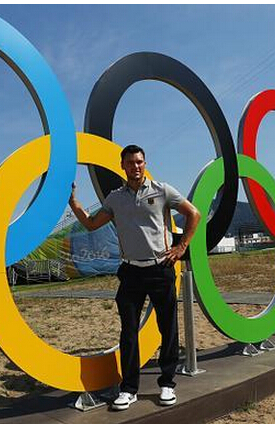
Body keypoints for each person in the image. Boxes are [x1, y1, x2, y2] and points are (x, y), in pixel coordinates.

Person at [68, 144, 201, 411]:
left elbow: (194, 214)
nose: (135, 166)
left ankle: (167, 384)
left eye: (139, 162)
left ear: (145, 163)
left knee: (167, 328)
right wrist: (74, 203)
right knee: (128, 332)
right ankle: (129, 389)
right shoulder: (115, 198)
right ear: (123, 166)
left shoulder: (162, 190)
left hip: (160, 269)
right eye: (130, 163)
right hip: (130, 272)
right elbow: (92, 224)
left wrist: (181, 247)